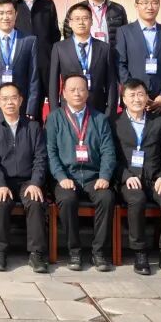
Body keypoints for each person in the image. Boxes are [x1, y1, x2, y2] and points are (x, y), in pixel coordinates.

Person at [111, 79, 161, 276]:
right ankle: (140, 252)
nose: (137, 99)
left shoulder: (159, 122)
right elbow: (110, 157)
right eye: (132, 95)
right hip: (129, 179)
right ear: (124, 99)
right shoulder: (114, 123)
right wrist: (125, 176)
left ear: (147, 97)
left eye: (141, 94)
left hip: (155, 178)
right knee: (137, 199)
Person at [46, 74, 116, 272]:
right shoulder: (54, 118)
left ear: (87, 93)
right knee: (67, 200)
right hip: (67, 177)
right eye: (72, 90)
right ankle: (74, 251)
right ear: (64, 94)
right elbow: (50, 152)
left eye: (81, 89)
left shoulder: (99, 119)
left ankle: (99, 252)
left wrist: (104, 176)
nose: (77, 93)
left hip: (94, 176)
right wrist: (61, 177)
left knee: (106, 198)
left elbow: (108, 151)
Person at [0, 83, 49, 273]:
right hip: (1, 181)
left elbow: (40, 158)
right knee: (1, 201)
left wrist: (35, 182)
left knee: (35, 201)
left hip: (27, 181)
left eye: (13, 98)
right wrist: (0, 184)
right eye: (4, 99)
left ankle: (36, 254)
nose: (9, 102)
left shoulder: (33, 126)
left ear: (21, 100)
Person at [116, 0, 161, 118]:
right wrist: (135, 93)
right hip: (133, 100)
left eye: (154, 3)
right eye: (145, 3)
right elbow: (120, 65)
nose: (150, 7)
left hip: (160, 102)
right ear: (136, 5)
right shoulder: (124, 32)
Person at [48, 3, 116, 115]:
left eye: (85, 18)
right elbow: (53, 82)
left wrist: (109, 112)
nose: (81, 22)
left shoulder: (105, 48)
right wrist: (55, 112)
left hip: (98, 108)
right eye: (77, 19)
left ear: (91, 21)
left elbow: (111, 83)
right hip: (68, 108)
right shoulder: (59, 48)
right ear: (70, 23)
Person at [11, 0, 60, 106]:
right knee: (17, 103)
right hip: (16, 63)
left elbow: (54, 35)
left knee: (39, 106)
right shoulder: (9, 3)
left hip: (43, 64)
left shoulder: (47, 3)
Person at [63, 0, 127, 50]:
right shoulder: (75, 10)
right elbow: (68, 34)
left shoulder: (118, 9)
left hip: (111, 55)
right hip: (83, 54)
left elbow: (125, 35)